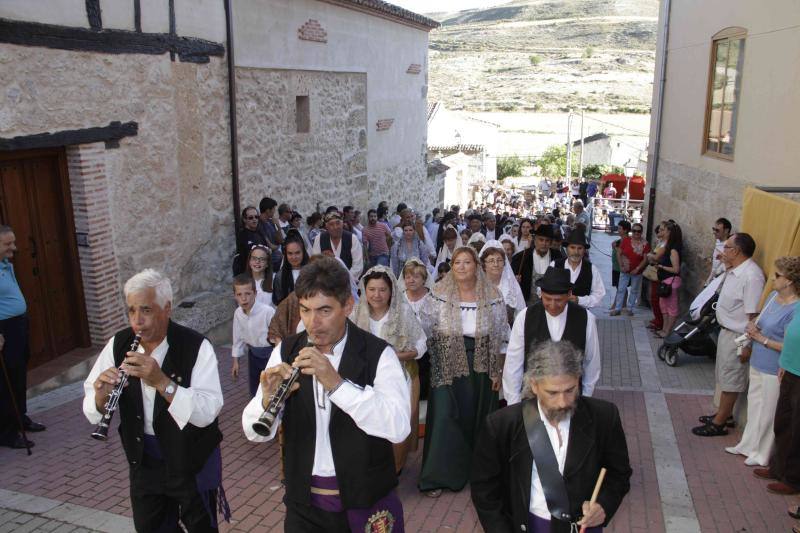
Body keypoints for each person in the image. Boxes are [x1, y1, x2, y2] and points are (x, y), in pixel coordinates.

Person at [241, 257, 409, 531]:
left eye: (324, 310)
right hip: (304, 505)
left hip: (366, 500)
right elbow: (253, 433)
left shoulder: (379, 354)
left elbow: (399, 427)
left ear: (348, 306)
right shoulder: (286, 351)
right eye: (305, 310)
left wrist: (338, 385)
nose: (312, 323)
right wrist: (266, 402)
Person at [83, 269, 227, 532]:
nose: (137, 321)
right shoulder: (119, 344)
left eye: (146, 310)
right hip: (145, 461)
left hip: (190, 460)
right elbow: (92, 403)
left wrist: (162, 382)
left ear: (167, 308)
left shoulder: (196, 346)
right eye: (131, 311)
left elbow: (208, 410)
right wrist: (101, 397)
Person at [472, 341, 631, 533]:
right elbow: (485, 490)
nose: (562, 402)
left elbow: (619, 474)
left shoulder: (604, 417)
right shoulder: (502, 425)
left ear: (578, 380)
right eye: (552, 393)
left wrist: (604, 506)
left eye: (570, 390)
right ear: (534, 385)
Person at [418, 247, 510, 497]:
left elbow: (501, 336)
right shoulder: (438, 293)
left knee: (477, 418)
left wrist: (497, 371)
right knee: (444, 416)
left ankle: (478, 472)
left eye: (467, 262)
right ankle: (438, 476)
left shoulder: (493, 295)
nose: (461, 267)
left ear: (476, 266)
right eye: (457, 262)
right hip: (447, 360)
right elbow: (426, 327)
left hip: (481, 362)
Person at [350, 266, 427, 473]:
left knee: (395, 423)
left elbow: (421, 344)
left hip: (398, 378)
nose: (377, 295)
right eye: (372, 289)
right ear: (364, 290)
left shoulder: (402, 314)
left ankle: (395, 468)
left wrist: (394, 356)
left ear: (391, 291)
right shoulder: (356, 314)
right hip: (365, 380)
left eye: (382, 289)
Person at [727, 257, 798, 468]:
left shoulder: (796, 308)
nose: (773, 279)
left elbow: (790, 344)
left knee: (768, 412)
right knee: (755, 405)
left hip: (775, 366)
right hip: (758, 360)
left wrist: (762, 339)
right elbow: (761, 321)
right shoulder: (773, 297)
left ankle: (763, 453)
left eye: (777, 275)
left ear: (789, 280)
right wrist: (753, 327)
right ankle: (748, 445)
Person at [693, 233, 765, 437]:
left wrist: (746, 345)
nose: (722, 251)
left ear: (737, 251)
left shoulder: (751, 276)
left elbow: (753, 315)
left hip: (738, 336)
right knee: (724, 376)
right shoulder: (734, 271)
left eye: (726, 247)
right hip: (726, 332)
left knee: (732, 378)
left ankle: (719, 423)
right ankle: (725, 414)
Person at [504, 267, 602, 402]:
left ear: (569, 294)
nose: (553, 305)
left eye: (558, 300)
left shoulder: (586, 318)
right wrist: (513, 402)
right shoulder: (525, 317)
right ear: (541, 294)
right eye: (547, 299)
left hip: (570, 400)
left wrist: (585, 398)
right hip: (532, 399)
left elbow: (591, 363)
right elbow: (513, 363)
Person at [0, 226, 45, 450]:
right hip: (4, 330)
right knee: (6, 381)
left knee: (18, 375)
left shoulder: (5, 264)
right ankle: (7, 432)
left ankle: (20, 418)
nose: (14, 248)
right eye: (8, 244)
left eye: (13, 242)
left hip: (18, 326)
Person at [757, 274, 800, 496]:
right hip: (790, 368)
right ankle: (778, 467)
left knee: (796, 428)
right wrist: (784, 362)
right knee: (783, 421)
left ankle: (793, 479)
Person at [231, 274, 275, 397]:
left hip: (270, 354)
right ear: (235, 296)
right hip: (253, 355)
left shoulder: (267, 311)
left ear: (255, 293)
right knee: (255, 389)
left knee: (271, 387)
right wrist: (236, 362)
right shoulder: (238, 313)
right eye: (239, 295)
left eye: (248, 294)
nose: (244, 298)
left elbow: (278, 337)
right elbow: (237, 338)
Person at [551, 228, 605, 310]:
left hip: (580, 315)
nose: (576, 252)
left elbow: (599, 295)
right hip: (556, 313)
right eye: (572, 247)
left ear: (584, 250)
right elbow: (542, 290)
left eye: (580, 248)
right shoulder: (555, 265)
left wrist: (580, 300)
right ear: (567, 248)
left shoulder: (591, 269)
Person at [512, 225, 563, 306]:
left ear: (550, 243)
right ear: (535, 240)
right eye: (541, 240)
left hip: (550, 305)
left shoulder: (558, 257)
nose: (544, 243)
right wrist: (515, 280)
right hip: (527, 305)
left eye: (547, 240)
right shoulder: (521, 257)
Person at [480, 240, 526, 322]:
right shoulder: (477, 285)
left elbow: (521, 315)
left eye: (499, 260)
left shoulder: (512, 287)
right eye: (491, 261)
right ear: (484, 264)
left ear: (504, 263)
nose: (496, 264)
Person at [611, 222, 651, 316]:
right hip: (625, 270)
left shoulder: (645, 244)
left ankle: (630, 309)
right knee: (621, 289)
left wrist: (637, 269)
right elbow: (619, 253)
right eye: (634, 231)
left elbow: (645, 259)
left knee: (634, 290)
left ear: (641, 232)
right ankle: (618, 309)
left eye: (638, 231)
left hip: (637, 272)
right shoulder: (626, 240)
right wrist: (621, 266)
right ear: (632, 231)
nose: (636, 233)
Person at [311, 211, 364, 281]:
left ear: (342, 224)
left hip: (348, 281)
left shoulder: (352, 238)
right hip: (326, 282)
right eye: (331, 224)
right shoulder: (319, 238)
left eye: (338, 223)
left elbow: (357, 266)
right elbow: (315, 262)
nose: (335, 227)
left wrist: (344, 280)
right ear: (326, 226)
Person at [654, 220, 683, 337]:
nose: (661, 232)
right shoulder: (668, 247)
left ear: (670, 232)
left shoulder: (673, 250)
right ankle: (664, 329)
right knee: (664, 306)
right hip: (665, 281)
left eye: (664, 230)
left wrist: (661, 266)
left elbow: (676, 269)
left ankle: (667, 331)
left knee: (671, 308)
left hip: (671, 281)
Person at [272, 235, 309, 306]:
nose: (294, 257)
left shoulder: (313, 272)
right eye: (290, 253)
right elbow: (278, 302)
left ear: (303, 252)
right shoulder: (280, 276)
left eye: (297, 253)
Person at [645, 222, 667, 331]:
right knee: (654, 298)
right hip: (655, 272)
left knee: (656, 298)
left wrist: (650, 255)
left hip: (659, 273)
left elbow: (655, 256)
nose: (658, 232)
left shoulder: (665, 244)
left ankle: (660, 322)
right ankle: (657, 319)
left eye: (661, 230)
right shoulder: (660, 242)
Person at [235, 206, 268, 275]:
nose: (254, 219)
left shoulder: (260, 233)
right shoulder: (243, 236)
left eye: (256, 217)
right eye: (250, 217)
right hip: (249, 274)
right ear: (244, 220)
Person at [258, 196, 284, 272]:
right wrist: (278, 247)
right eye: (273, 210)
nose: (274, 212)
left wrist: (278, 227)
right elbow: (270, 246)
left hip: (276, 255)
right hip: (269, 259)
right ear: (268, 210)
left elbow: (280, 240)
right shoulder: (259, 224)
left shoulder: (270, 222)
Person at [705, 217, 732, 286]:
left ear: (726, 231)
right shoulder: (718, 240)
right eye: (713, 229)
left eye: (717, 230)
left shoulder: (728, 247)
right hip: (712, 279)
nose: (714, 232)